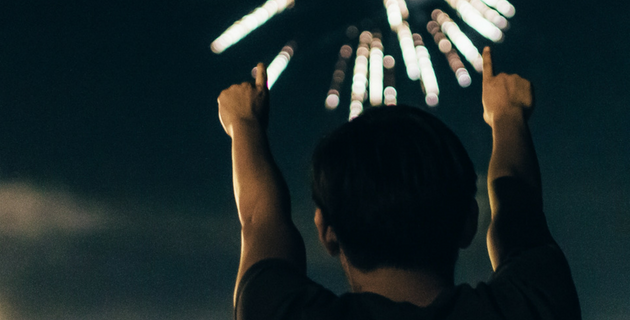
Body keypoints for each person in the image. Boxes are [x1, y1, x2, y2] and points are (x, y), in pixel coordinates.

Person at [217, 47, 580, 319]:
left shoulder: (280, 312)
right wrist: (508, 114)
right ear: (469, 222)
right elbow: (520, 209)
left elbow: (260, 219)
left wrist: (244, 125)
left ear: (326, 231)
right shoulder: (533, 307)